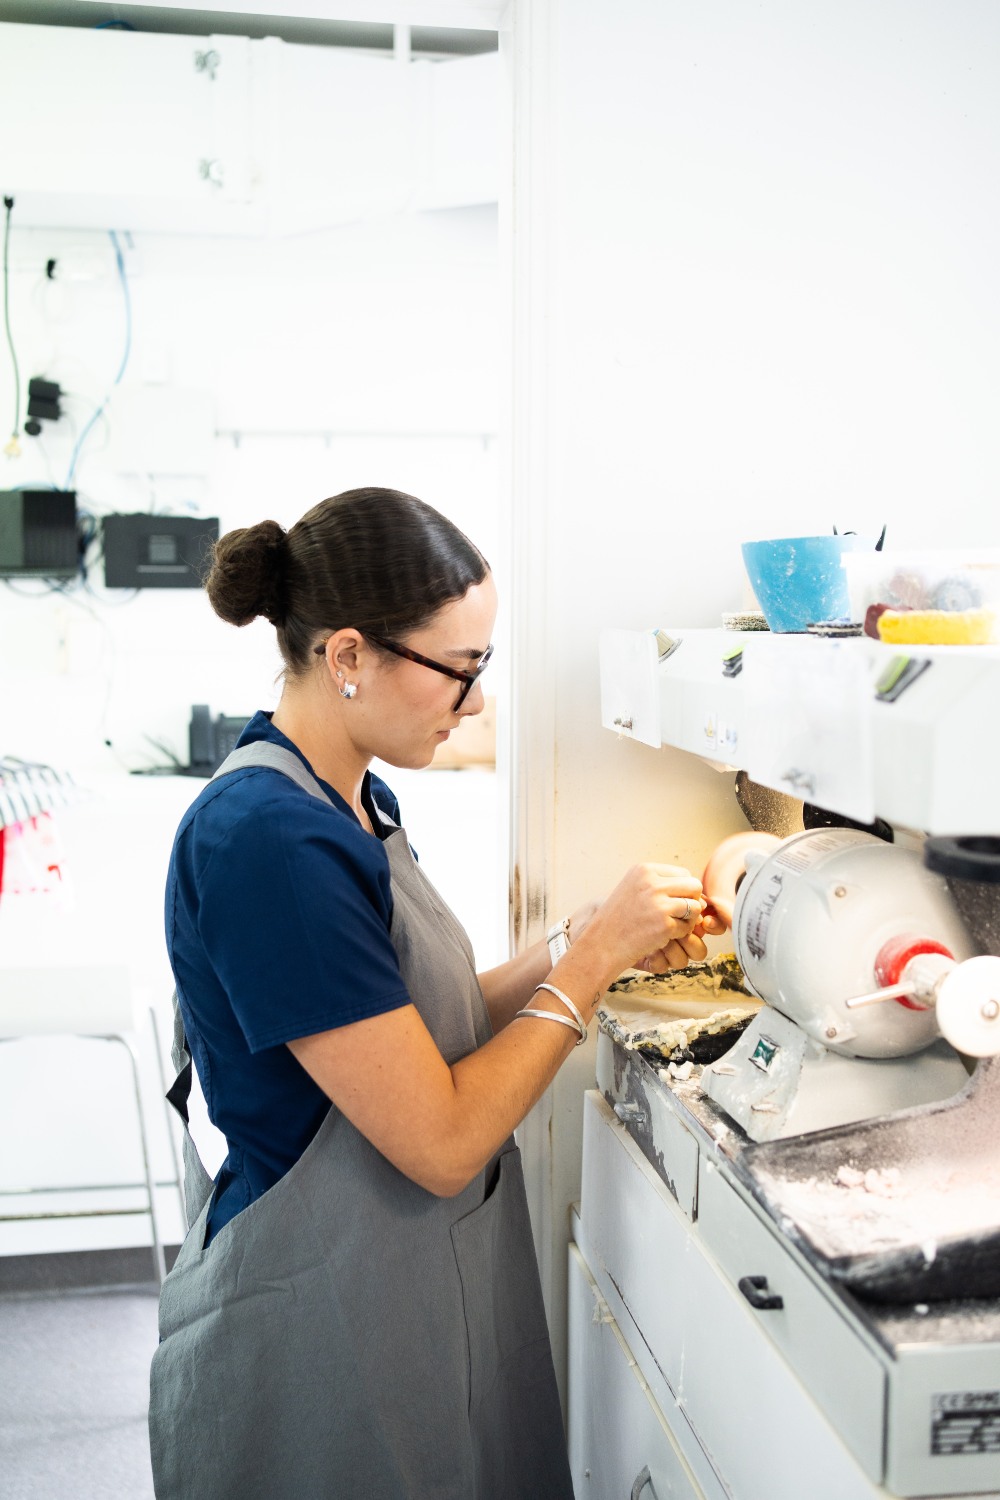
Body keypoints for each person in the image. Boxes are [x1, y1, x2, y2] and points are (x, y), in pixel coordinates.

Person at [148, 486, 722, 1500]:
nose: (477, 702)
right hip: (315, 1306)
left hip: (393, 1276)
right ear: (349, 656)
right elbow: (442, 1140)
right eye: (457, 671)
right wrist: (589, 969)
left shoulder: (347, 793)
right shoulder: (271, 843)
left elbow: (427, 1018)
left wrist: (585, 938)